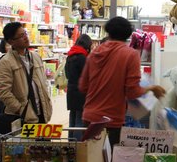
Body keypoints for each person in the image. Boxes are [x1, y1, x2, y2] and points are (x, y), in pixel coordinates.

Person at [79, 16, 166, 146]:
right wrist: (152, 88)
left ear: (108, 32)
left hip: (90, 117)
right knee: (110, 161)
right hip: (111, 119)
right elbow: (132, 92)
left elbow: (83, 86)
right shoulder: (130, 55)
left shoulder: (94, 53)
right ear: (128, 35)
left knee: (92, 161)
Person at [0, 22, 53, 124]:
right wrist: (22, 110)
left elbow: (42, 83)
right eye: (21, 36)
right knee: (26, 140)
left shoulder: (35, 57)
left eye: (25, 34)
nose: (26, 38)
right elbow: (3, 92)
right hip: (21, 118)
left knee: (43, 140)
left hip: (42, 113)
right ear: (11, 41)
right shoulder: (5, 62)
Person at [64, 34, 92, 141]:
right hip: (81, 93)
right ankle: (78, 145)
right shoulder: (83, 58)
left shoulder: (70, 57)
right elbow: (87, 77)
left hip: (71, 92)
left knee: (72, 119)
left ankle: (70, 144)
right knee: (80, 121)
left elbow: (67, 75)